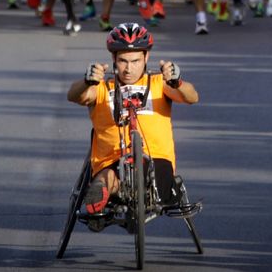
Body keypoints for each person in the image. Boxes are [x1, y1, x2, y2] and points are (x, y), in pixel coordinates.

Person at [67, 22, 199, 215]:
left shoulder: (158, 82)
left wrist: (177, 82)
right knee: (107, 177)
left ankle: (130, 190)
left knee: (150, 176)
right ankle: (105, 192)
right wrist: (87, 81)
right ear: (113, 58)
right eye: (123, 61)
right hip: (112, 160)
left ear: (146, 57)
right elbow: (74, 95)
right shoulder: (102, 86)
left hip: (156, 160)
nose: (129, 69)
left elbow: (192, 97)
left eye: (135, 61)